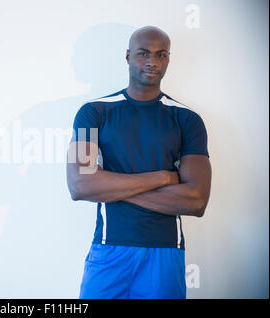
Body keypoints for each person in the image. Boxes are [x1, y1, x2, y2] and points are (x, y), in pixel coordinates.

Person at [66, 25, 212, 299]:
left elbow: (196, 201)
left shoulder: (188, 120)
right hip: (110, 249)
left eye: (161, 55)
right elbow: (80, 185)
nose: (152, 62)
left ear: (168, 59)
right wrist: (163, 177)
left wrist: (111, 186)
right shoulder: (92, 113)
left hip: (166, 251)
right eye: (143, 53)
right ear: (127, 56)